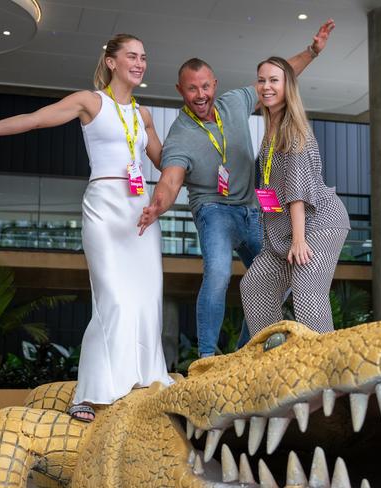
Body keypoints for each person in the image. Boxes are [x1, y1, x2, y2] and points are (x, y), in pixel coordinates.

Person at [0, 33, 173, 422]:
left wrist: (206, 156)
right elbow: (34, 121)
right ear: (111, 62)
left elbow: (169, 162)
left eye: (144, 57)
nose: (140, 63)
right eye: (132, 56)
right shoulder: (90, 101)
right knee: (113, 299)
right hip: (104, 206)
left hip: (140, 211)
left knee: (147, 298)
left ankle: (145, 381)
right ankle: (89, 393)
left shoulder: (144, 114)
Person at [137, 20, 335, 358]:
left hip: (254, 209)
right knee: (218, 273)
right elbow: (170, 179)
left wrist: (312, 51)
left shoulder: (234, 101)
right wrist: (159, 205)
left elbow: (277, 80)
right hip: (214, 211)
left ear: (214, 84)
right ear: (180, 90)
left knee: (276, 276)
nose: (200, 95)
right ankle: (208, 356)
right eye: (191, 89)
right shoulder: (180, 135)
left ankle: (245, 348)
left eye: (205, 86)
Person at [239, 56, 350, 336]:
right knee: (255, 284)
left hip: (319, 223)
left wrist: (299, 240)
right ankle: (273, 359)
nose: (266, 86)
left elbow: (296, 190)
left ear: (288, 86)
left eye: (274, 80)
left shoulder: (293, 130)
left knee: (306, 290)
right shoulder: (270, 131)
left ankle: (322, 369)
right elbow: (271, 195)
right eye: (262, 80)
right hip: (284, 231)